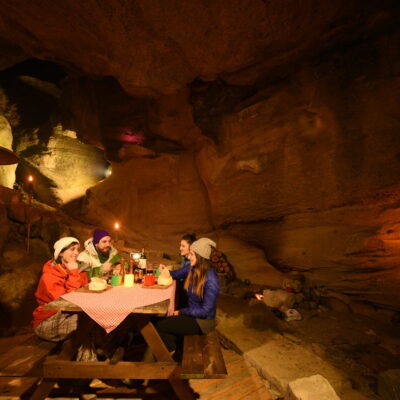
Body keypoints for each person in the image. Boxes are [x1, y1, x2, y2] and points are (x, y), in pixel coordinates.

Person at [156, 237, 220, 354]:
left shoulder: (211, 281)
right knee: (163, 322)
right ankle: (174, 350)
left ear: (201, 258)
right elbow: (176, 273)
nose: (189, 257)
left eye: (192, 254)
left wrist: (182, 311)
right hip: (192, 313)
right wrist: (165, 272)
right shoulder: (192, 268)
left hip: (202, 322)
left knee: (161, 326)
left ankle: (169, 355)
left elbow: (204, 311)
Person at [33, 237, 88, 342]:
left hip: (66, 316)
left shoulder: (73, 267)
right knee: (87, 321)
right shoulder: (50, 275)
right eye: (72, 249)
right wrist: (74, 273)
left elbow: (84, 290)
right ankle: (89, 355)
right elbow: (67, 303)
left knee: (92, 319)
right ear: (61, 253)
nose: (76, 253)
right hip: (47, 322)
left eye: (77, 249)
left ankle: (92, 354)